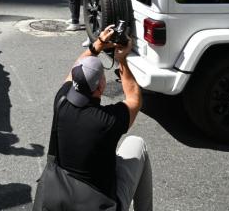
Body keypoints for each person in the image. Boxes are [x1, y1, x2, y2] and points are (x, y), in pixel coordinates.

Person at [34, 25, 150, 211]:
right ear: (101, 86)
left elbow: (77, 66)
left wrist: (99, 43)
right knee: (138, 144)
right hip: (96, 202)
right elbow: (134, 98)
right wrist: (122, 60)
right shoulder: (106, 122)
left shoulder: (61, 100)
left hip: (59, 193)